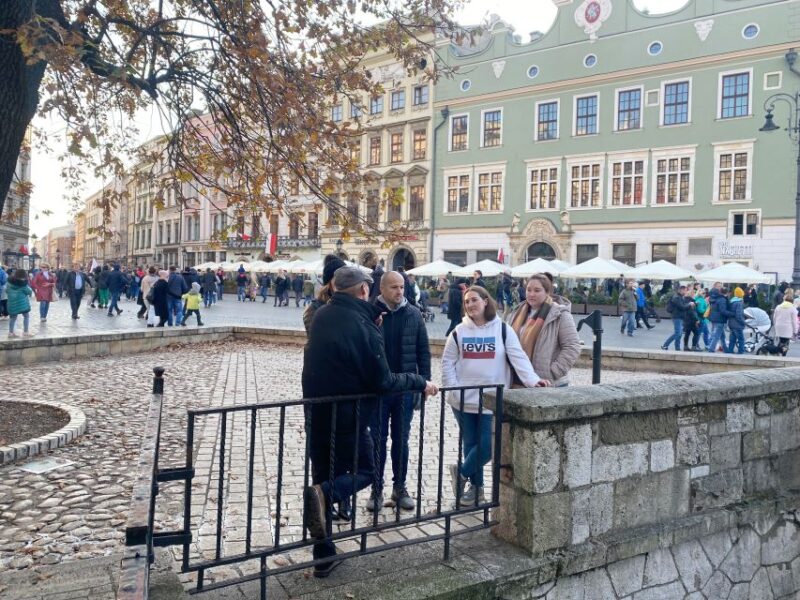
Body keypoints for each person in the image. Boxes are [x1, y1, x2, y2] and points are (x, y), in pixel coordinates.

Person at [302, 266, 437, 578]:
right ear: (365, 290)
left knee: (323, 476)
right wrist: (420, 382)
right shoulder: (363, 325)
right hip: (348, 414)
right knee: (366, 470)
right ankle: (325, 495)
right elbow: (383, 380)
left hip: (317, 411)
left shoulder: (321, 314)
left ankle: (323, 557)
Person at [443, 286, 549, 506]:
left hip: (491, 399)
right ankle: (476, 491)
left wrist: (533, 380)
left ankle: (461, 473)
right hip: (462, 399)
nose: (470, 305)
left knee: (489, 445)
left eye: (474, 300)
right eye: (466, 302)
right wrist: (453, 389)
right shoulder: (458, 331)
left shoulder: (502, 329)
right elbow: (448, 363)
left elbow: (518, 357)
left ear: (485, 301)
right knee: (470, 444)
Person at [369, 271, 432, 512]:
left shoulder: (414, 314)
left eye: (402, 287)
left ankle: (400, 487)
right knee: (377, 440)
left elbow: (423, 352)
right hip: (379, 390)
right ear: (382, 289)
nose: (399, 291)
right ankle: (376, 489)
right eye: (394, 287)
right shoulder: (371, 312)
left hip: (405, 390)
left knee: (401, 440)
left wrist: (423, 385)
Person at [507, 274, 581, 387]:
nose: (531, 294)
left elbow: (572, 347)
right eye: (528, 290)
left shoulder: (560, 314)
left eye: (537, 290)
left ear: (547, 292)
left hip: (549, 383)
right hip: (518, 380)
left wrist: (553, 372)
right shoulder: (517, 312)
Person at [303, 255, 346, 335]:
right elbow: (318, 337)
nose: (344, 283)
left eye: (346, 278)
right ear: (329, 283)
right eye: (339, 279)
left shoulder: (351, 302)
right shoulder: (315, 309)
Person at [7, 269, 33, 337]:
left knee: (13, 318)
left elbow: (6, 290)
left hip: (12, 303)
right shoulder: (23, 284)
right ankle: (25, 332)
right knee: (26, 316)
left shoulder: (9, 282)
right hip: (23, 304)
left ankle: (10, 333)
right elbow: (29, 291)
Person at [661, 285, 688, 351]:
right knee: (677, 333)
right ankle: (665, 345)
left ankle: (677, 348)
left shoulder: (680, 297)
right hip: (677, 317)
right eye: (685, 290)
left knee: (679, 334)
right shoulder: (676, 298)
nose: (686, 292)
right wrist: (689, 305)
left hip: (680, 317)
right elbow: (682, 307)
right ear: (681, 290)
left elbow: (683, 306)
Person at [707, 284, 730, 352]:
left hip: (714, 318)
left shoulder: (715, 298)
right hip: (720, 319)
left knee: (722, 336)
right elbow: (723, 311)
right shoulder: (722, 299)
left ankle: (725, 349)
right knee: (716, 336)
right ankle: (711, 348)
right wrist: (732, 314)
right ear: (726, 293)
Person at [726, 287, 746, 354]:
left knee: (732, 339)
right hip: (738, 325)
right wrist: (743, 322)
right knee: (741, 339)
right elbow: (739, 315)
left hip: (731, 324)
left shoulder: (732, 301)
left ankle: (730, 351)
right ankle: (741, 351)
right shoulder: (739, 303)